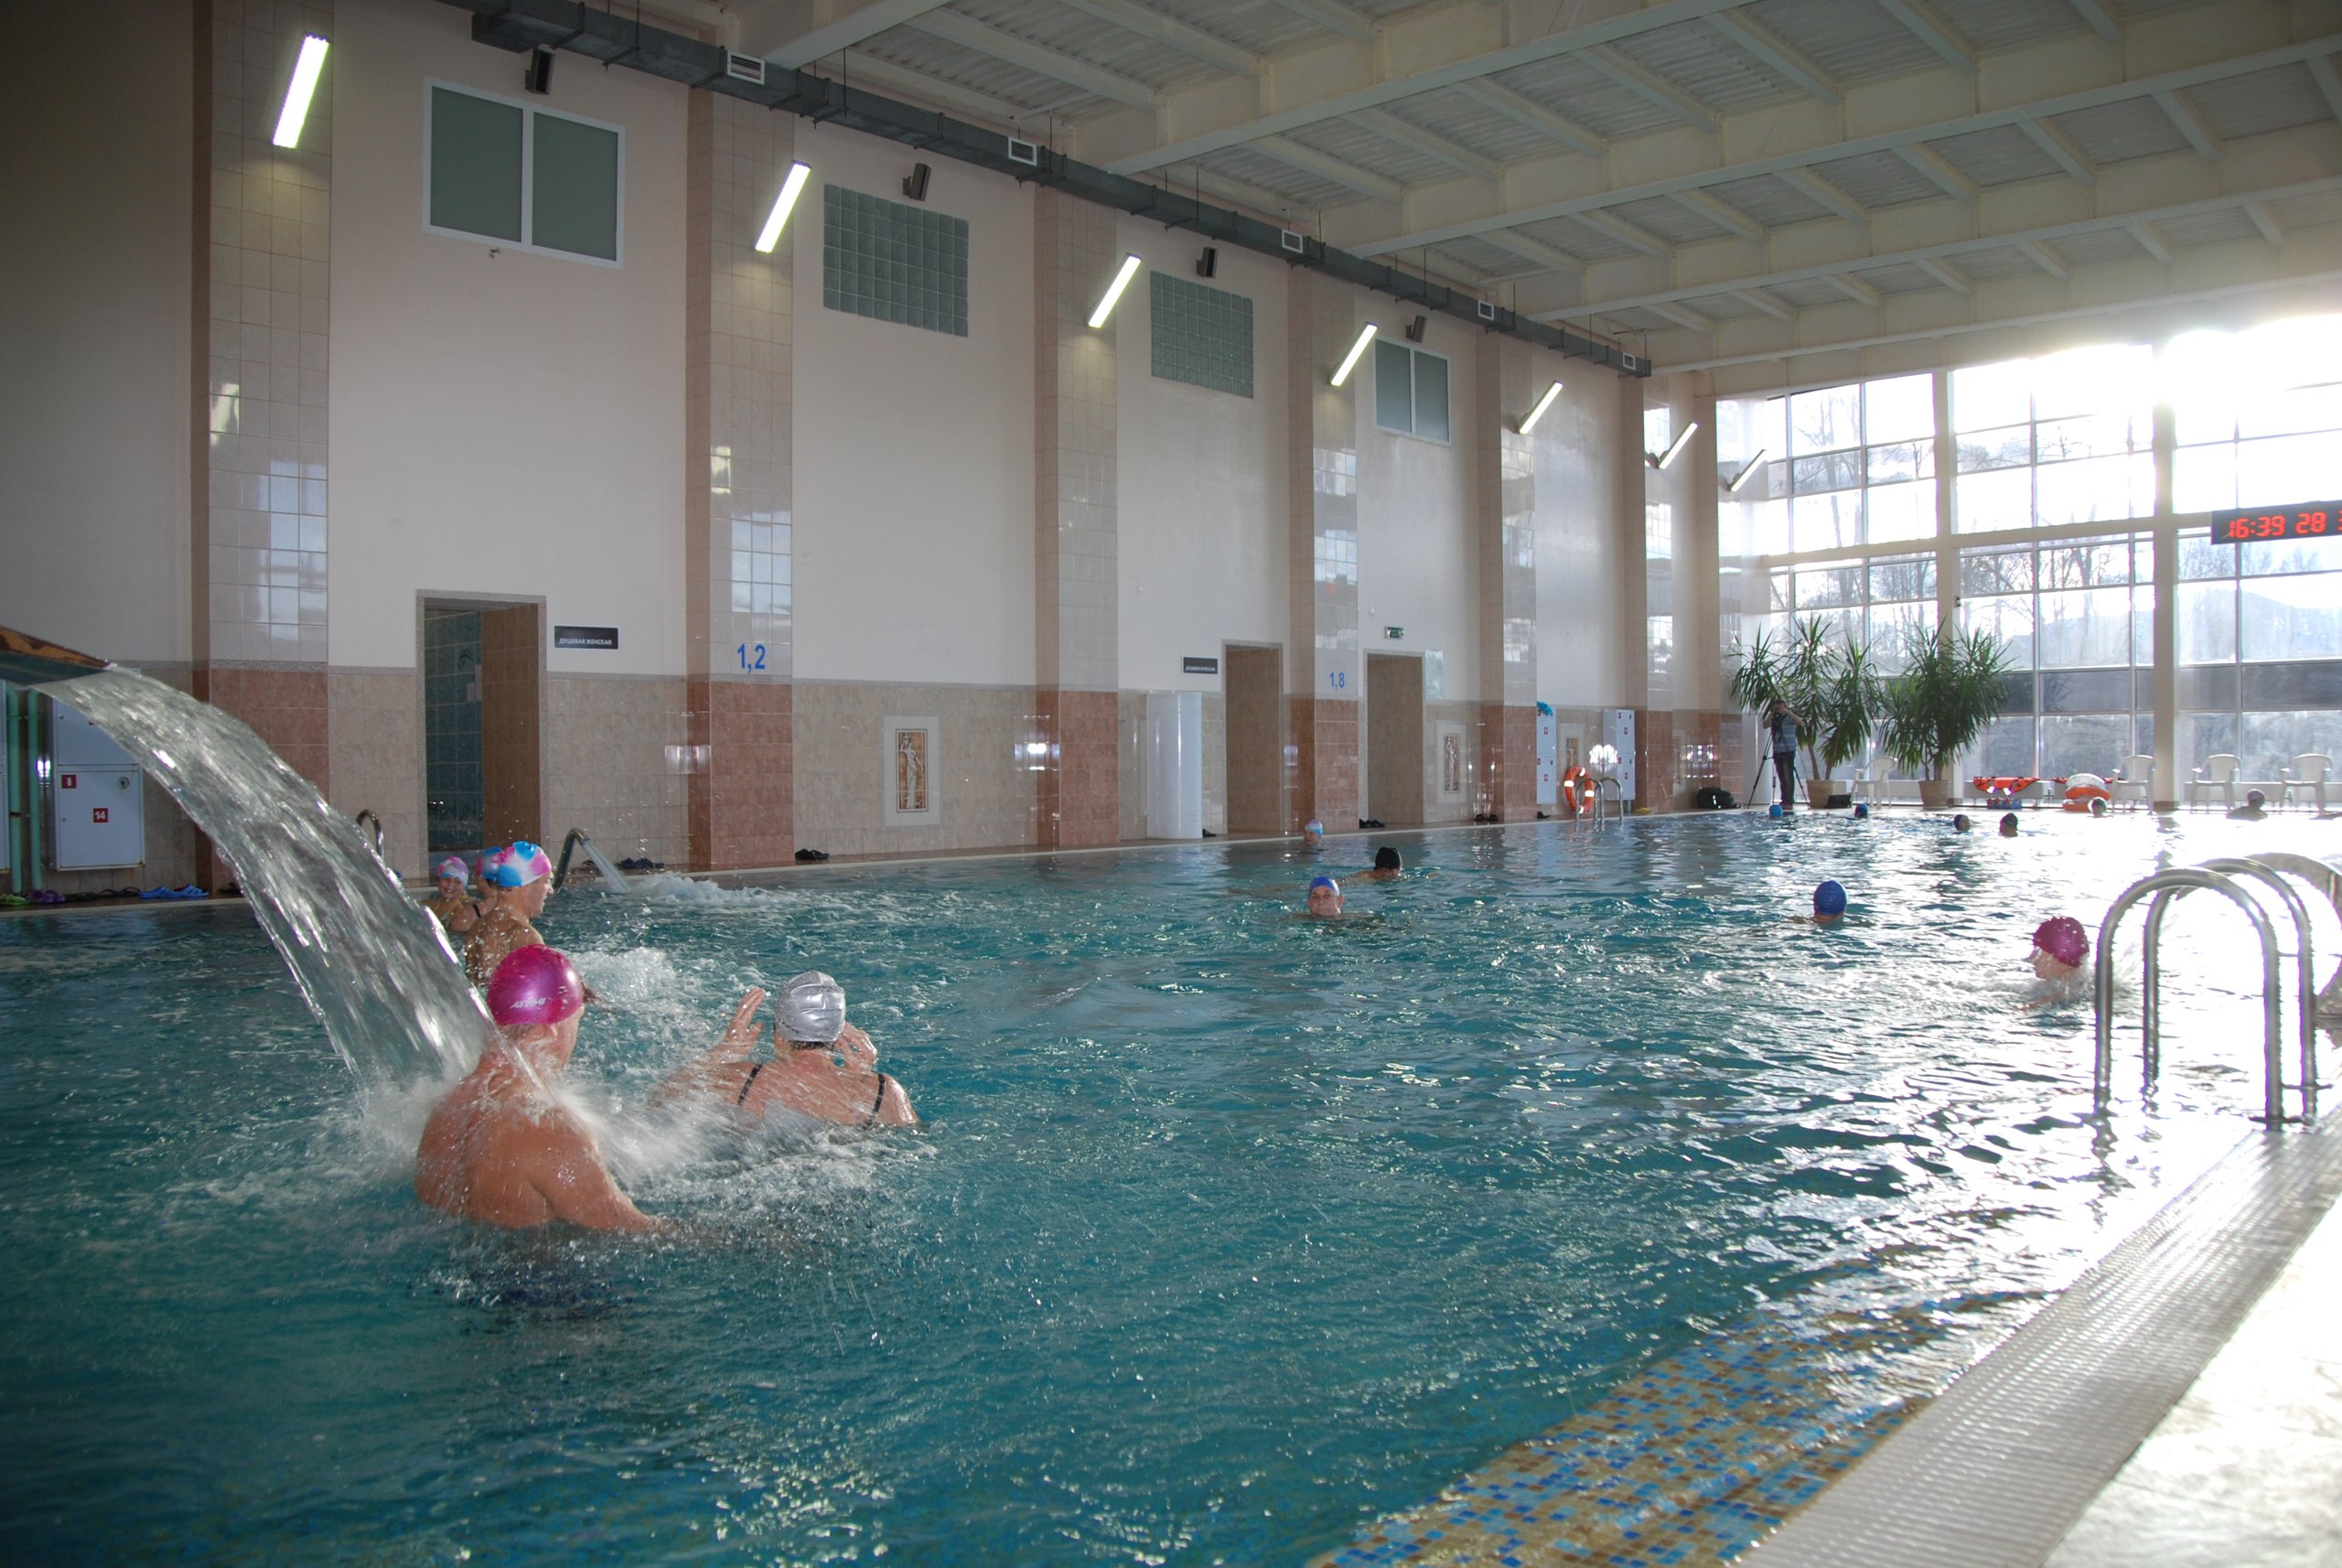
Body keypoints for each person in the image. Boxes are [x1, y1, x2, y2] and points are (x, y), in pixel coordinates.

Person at [414, 946, 659, 1232]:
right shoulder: (551, 1130)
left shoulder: (447, 1109)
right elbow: (632, 1230)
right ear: (550, 1028)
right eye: (576, 1020)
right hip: (538, 1261)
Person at [654, 972, 916, 1130]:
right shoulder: (883, 1091)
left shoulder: (740, 1079)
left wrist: (724, 1050)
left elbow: (659, 1103)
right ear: (838, 1037)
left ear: (778, 1033)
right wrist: (860, 1079)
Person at [463, 841, 554, 988]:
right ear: (526, 885)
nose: (550, 890)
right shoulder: (523, 935)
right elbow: (550, 990)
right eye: (547, 881)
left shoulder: (477, 927)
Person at [2025, 915, 2091, 1006]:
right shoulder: (2045, 985)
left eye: (2038, 951)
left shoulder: (2072, 994)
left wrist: (2036, 1006)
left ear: (2062, 961)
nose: (2032, 958)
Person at [424, 855, 480, 937]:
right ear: (438, 881)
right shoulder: (426, 906)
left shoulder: (461, 916)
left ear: (463, 887)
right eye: (446, 879)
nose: (451, 884)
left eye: (458, 882)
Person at [1765, 699, 1803, 814]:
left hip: (1788, 750)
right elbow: (1764, 725)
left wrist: (1787, 712)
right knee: (1782, 778)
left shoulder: (1789, 717)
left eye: (1780, 707)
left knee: (1788, 777)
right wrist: (1771, 716)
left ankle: (1789, 801)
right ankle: (1784, 799)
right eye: (1777, 707)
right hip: (1777, 750)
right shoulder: (1774, 718)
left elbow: (1800, 722)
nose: (1779, 709)